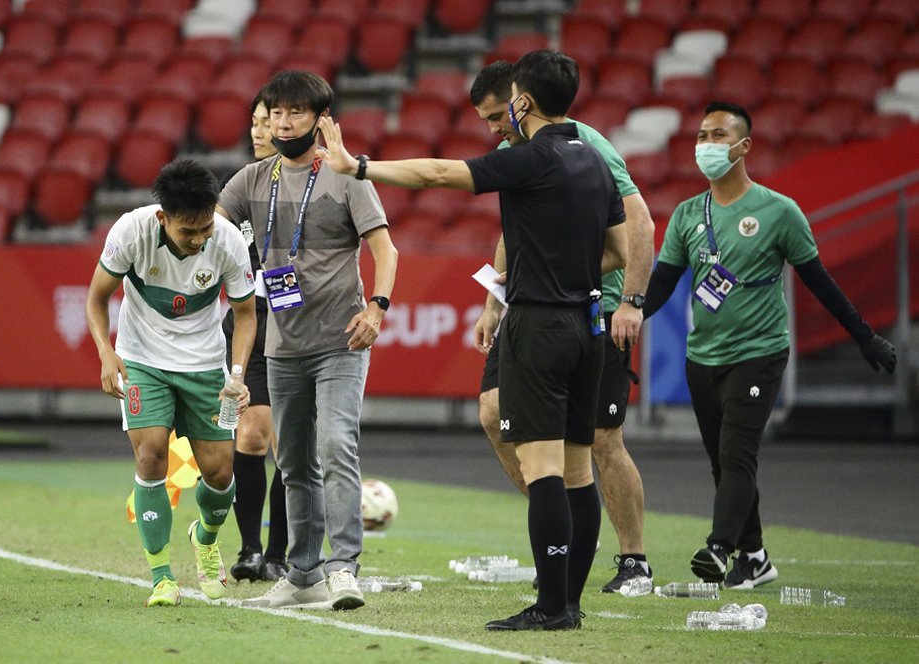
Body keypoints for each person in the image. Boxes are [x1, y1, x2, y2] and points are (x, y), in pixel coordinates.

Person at [317, 50, 628, 631]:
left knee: (543, 471)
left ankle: (551, 606)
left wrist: (356, 167)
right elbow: (619, 253)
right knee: (580, 469)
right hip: (590, 324)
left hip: (539, 325)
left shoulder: (529, 158)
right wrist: (566, 262)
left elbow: (439, 173)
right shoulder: (596, 160)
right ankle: (572, 602)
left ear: (523, 102)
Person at [643, 101, 897, 589]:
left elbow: (819, 281)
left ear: (744, 146)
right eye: (701, 136)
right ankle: (755, 558)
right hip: (703, 356)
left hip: (759, 353)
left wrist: (864, 336)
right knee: (723, 461)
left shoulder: (780, 212)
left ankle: (719, 549)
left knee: (738, 455)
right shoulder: (686, 215)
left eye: (718, 135)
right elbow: (663, 284)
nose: (706, 145)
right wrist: (625, 318)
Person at [469, 60, 656, 593]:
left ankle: (634, 559)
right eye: (484, 122)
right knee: (492, 409)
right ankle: (562, 534)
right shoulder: (516, 152)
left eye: (494, 116)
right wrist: (492, 303)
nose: (492, 130)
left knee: (601, 438)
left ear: (519, 99)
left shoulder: (584, 144)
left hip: (595, 305)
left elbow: (637, 220)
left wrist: (632, 303)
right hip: (529, 305)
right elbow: (516, 227)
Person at [217, 70, 399, 611]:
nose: (281, 121)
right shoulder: (252, 179)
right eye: (274, 112)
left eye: (294, 112)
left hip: (341, 339)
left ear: (321, 121)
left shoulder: (346, 175)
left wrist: (378, 306)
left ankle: (343, 568)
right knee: (293, 462)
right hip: (282, 344)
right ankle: (302, 574)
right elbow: (207, 228)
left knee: (336, 446)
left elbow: (386, 251)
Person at [85, 158, 257, 607]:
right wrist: (108, 353)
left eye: (205, 228)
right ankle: (162, 576)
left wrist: (236, 376)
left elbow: (245, 314)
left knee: (221, 473)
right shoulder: (130, 231)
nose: (199, 239)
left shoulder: (228, 241)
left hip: (204, 365)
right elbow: (96, 298)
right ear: (163, 218)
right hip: (143, 360)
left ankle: (205, 537)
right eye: (188, 232)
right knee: (151, 455)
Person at [221, 92, 289, 583]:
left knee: (291, 445)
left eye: (268, 122)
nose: (259, 131)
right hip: (251, 323)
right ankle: (249, 550)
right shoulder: (241, 186)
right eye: (256, 122)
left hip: (298, 323)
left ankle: (281, 553)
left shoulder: (310, 182)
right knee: (250, 434)